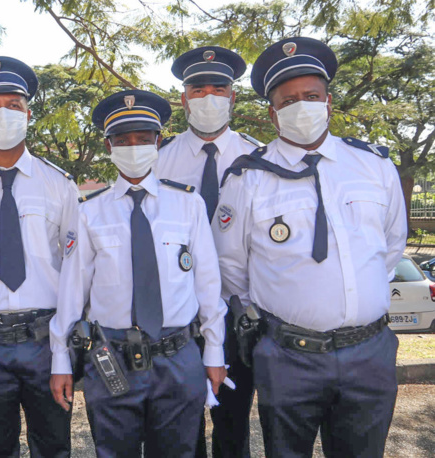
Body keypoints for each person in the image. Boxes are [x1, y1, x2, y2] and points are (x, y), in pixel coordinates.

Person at [214, 37, 406, 457]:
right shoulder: (248, 178)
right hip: (288, 356)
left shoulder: (374, 166)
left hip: (369, 352)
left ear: (329, 102)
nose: (302, 106)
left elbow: (391, 248)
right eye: (288, 101)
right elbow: (231, 267)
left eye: (311, 96)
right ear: (273, 113)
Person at [49, 89, 227, 457]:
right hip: (112, 355)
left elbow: (207, 285)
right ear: (108, 146)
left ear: (158, 142)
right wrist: (60, 359)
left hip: (177, 355)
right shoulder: (89, 212)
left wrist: (214, 350)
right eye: (122, 140)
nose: (134, 148)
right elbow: (72, 292)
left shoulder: (188, 204)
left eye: (143, 139)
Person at [0, 56, 79, 457]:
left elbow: (74, 271)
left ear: (28, 114)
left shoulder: (59, 184)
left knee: (54, 446)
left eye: (13, 105)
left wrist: (63, 350)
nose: (2, 114)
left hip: (46, 341)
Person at [155, 46, 259, 458]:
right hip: (177, 314)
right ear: (184, 99)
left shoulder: (259, 158)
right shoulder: (158, 161)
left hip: (238, 312)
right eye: (198, 90)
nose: (209, 97)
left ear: (233, 97)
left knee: (234, 424)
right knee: (181, 426)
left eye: (219, 88)